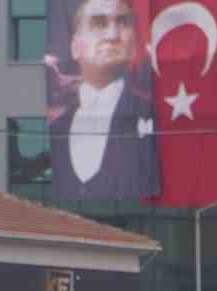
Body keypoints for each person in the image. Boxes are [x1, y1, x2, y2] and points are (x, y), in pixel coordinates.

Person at [49, 0, 159, 201]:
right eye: (98, 24)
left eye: (123, 23)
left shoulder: (152, 114)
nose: (112, 35)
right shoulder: (57, 126)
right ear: (75, 47)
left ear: (134, 43)